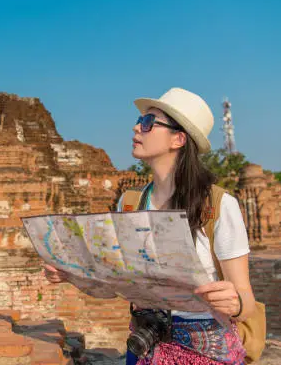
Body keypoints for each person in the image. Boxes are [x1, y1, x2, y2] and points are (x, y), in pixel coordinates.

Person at [44, 88, 255, 364]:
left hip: (205, 350)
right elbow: (118, 286)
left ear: (178, 139)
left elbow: (247, 300)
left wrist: (235, 303)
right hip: (145, 344)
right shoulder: (130, 203)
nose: (136, 127)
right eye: (138, 120)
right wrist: (71, 274)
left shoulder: (217, 205)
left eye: (147, 123)